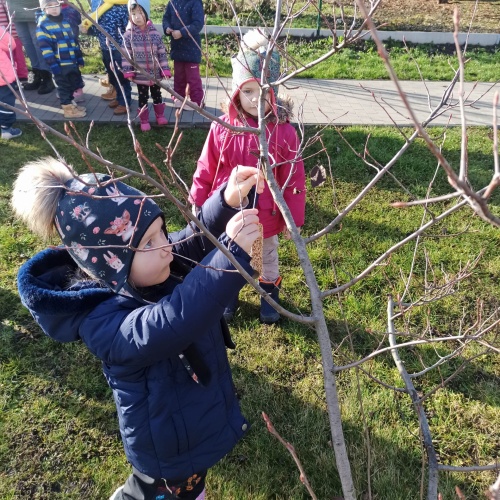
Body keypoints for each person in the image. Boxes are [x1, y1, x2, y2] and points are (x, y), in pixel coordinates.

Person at [12, 157, 264, 500]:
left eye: (161, 230)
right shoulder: (103, 321)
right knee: (170, 491)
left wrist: (225, 202)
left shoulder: (145, 267)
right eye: (147, 242)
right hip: (166, 442)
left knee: (190, 486)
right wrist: (231, 255)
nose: (165, 247)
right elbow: (173, 321)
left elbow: (189, 242)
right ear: (112, 265)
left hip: (186, 418)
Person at [189, 30, 306, 324]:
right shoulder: (223, 128)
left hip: (265, 215)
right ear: (236, 92)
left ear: (274, 93)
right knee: (229, 254)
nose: (256, 99)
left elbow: (293, 180)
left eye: (265, 92)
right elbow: (207, 165)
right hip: (230, 213)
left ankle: (269, 293)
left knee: (265, 256)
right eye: (248, 91)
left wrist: (293, 219)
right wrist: (198, 199)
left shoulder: (283, 132)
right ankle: (229, 293)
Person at [122, 0, 171, 131]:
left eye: (140, 13)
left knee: (157, 95)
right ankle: (144, 120)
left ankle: (160, 115)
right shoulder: (128, 36)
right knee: (142, 97)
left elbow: (161, 53)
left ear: (146, 14)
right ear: (130, 16)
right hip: (140, 75)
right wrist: (128, 71)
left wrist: (164, 69)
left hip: (155, 74)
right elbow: (126, 56)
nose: (137, 17)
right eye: (133, 14)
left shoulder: (155, 34)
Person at [36, 0, 86, 118]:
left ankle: (71, 103)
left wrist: (79, 58)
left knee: (72, 84)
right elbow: (46, 49)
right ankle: (67, 109)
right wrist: (53, 65)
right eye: (50, 6)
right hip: (59, 63)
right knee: (63, 86)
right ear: (44, 9)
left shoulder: (65, 22)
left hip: (71, 61)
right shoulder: (43, 26)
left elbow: (73, 42)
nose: (54, 9)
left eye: (56, 5)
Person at [85, 0, 132, 115]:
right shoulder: (100, 7)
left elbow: (128, 28)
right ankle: (119, 97)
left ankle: (125, 103)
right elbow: (97, 26)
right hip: (105, 48)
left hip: (118, 49)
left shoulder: (122, 7)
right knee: (112, 76)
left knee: (121, 77)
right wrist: (88, 29)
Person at [162, 0, 204, 107]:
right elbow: (166, 17)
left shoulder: (195, 2)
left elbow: (198, 23)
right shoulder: (172, 2)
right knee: (179, 76)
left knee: (193, 78)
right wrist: (167, 27)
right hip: (177, 47)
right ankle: (179, 98)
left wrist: (182, 32)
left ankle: (197, 101)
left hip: (191, 47)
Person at [12, 0, 55, 93]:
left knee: (38, 43)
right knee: (27, 44)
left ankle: (47, 77)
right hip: (15, 11)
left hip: (33, 8)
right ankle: (37, 75)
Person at [0, 25, 22, 139]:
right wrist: (3, 30)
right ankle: (6, 130)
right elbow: (10, 45)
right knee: (6, 103)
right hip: (2, 78)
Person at [0, 0, 29, 82]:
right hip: (3, 36)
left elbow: (12, 14)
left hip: (13, 33)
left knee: (19, 56)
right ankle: (13, 76)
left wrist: (13, 32)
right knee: (8, 58)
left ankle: (22, 75)